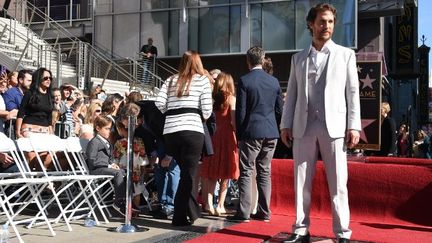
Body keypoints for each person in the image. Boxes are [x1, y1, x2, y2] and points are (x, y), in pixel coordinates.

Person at [280, 3, 361, 243]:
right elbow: (291, 94)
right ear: (311, 24)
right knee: (301, 182)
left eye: (330, 22)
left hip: (334, 126)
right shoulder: (298, 58)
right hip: (303, 126)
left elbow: (353, 92)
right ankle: (300, 229)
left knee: (338, 184)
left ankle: (342, 233)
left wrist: (353, 125)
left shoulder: (345, 55)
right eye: (322, 21)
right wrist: (285, 124)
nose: (326, 26)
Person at [155, 50, 212, 226]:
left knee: (184, 173)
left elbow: (159, 103)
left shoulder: (170, 80)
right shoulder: (202, 80)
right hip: (192, 130)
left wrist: (172, 113)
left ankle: (192, 212)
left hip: (171, 131)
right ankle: (179, 216)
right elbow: (207, 110)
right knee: (188, 175)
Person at [227, 46, 283, 223]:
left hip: (251, 132)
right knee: (265, 172)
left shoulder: (245, 80)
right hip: (271, 132)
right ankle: (264, 211)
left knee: (246, 171)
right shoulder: (274, 82)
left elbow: (241, 111)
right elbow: (279, 110)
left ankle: (243, 212)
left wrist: (241, 134)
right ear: (263, 58)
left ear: (248, 61)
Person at [200, 72, 239, 216]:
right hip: (228, 138)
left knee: (211, 173)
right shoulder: (231, 99)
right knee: (225, 174)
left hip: (212, 138)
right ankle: (220, 205)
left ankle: (209, 204)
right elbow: (233, 123)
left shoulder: (212, 100)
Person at [86, 115, 126, 215]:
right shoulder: (94, 142)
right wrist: (109, 166)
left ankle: (127, 198)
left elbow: (109, 158)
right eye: (107, 128)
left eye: (110, 128)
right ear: (98, 128)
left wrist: (112, 164)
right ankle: (118, 201)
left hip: (105, 168)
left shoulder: (106, 142)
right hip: (96, 169)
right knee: (118, 173)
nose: (109, 131)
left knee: (124, 171)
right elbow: (92, 160)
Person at [16, 68, 55, 169]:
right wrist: (17, 131)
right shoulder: (30, 93)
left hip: (45, 130)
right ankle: (32, 182)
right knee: (33, 157)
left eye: (50, 78)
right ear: (38, 79)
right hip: (29, 128)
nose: (48, 80)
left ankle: (41, 181)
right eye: (45, 78)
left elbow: (49, 117)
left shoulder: (50, 96)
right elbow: (21, 113)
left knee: (46, 158)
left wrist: (51, 132)